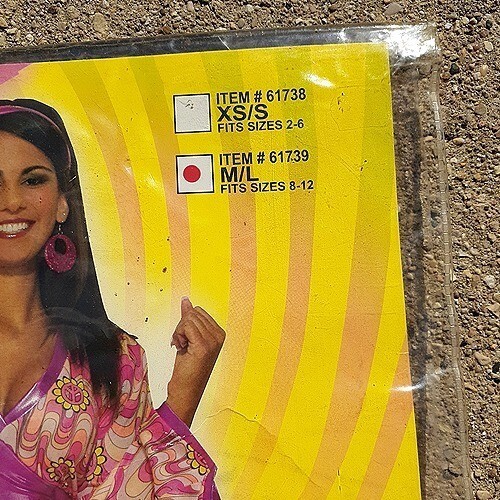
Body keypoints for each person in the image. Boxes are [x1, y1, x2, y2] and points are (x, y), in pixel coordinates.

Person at [0, 99, 224, 499]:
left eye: (32, 180)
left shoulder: (111, 360)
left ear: (63, 202)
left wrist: (183, 395)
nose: (11, 200)